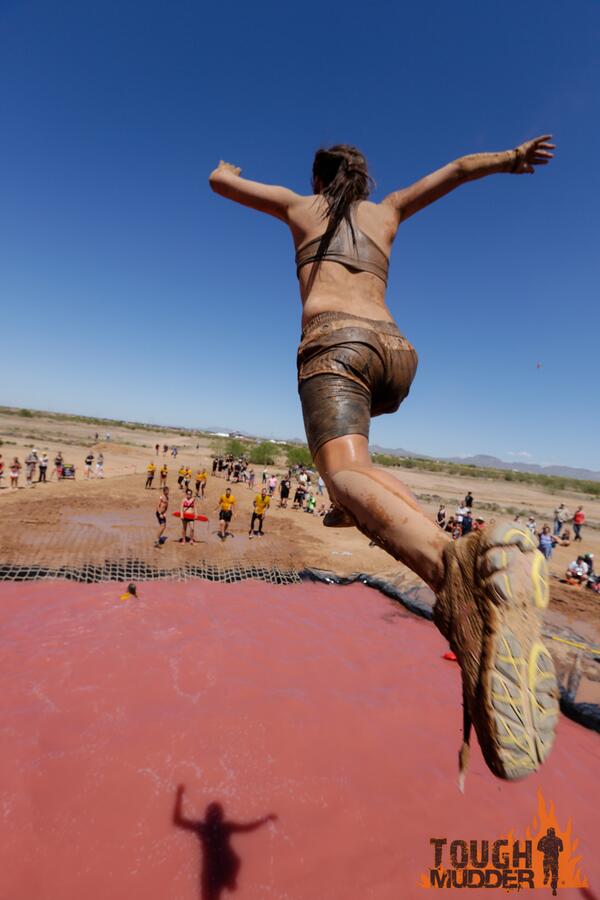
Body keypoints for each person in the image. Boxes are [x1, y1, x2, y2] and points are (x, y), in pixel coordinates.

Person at [210, 135, 560, 784]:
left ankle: (454, 568)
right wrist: (513, 158)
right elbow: (458, 169)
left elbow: (221, 185)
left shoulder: (299, 206)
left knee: (342, 473)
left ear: (319, 180)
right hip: (395, 355)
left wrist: (226, 169)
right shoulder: (388, 209)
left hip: (335, 344)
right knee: (358, 470)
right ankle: (380, 519)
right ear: (364, 181)